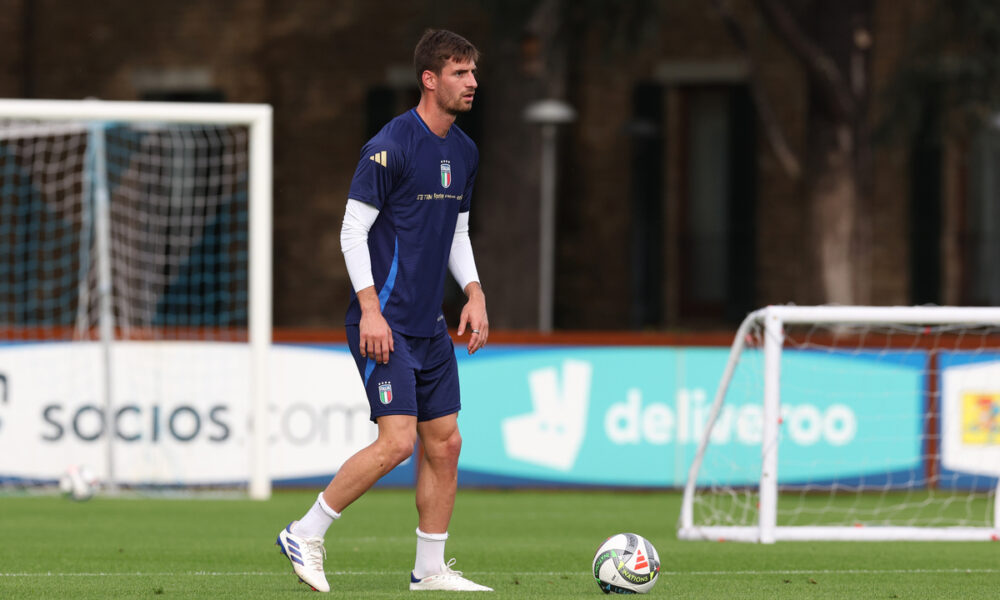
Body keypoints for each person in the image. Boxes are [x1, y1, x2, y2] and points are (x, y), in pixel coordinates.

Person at [276, 29, 492, 593]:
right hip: (385, 323)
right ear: (430, 79)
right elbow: (352, 231)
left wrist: (474, 291)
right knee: (398, 442)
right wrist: (370, 310)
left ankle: (429, 570)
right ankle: (306, 531)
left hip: (430, 327)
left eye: (473, 72)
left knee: (445, 441)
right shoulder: (390, 145)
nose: (472, 82)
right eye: (460, 73)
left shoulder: (465, 150)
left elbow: (458, 231)